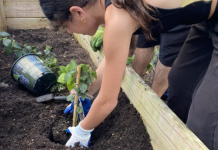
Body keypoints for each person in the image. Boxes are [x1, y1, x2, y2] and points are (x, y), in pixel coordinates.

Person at [39, 0, 218, 149]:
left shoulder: (117, 18)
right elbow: (110, 62)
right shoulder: (111, 7)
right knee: (180, 86)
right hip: (205, 18)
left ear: (78, 12)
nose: (70, 32)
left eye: (66, 26)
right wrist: (85, 93)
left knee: (205, 124)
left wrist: (82, 130)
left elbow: (108, 101)